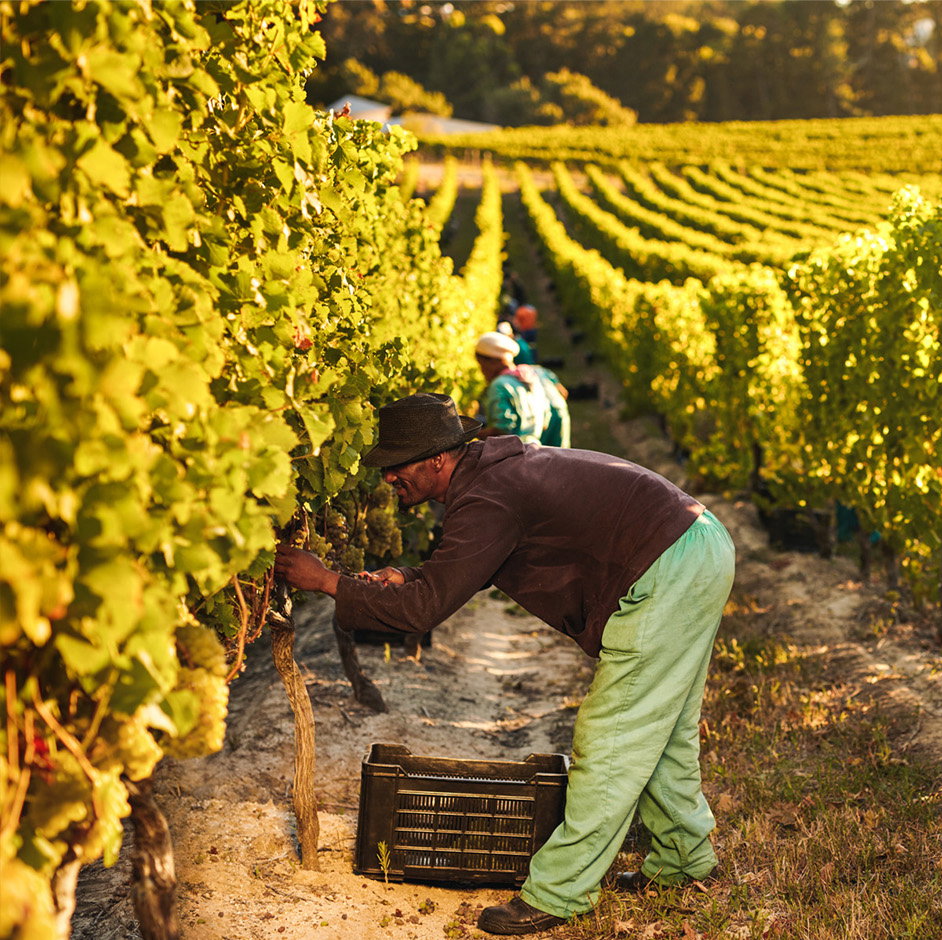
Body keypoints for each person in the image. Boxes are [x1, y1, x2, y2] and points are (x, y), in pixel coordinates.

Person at [274, 392, 734, 936]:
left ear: (436, 461)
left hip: (668, 565)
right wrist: (408, 576)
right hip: (693, 544)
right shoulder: (491, 477)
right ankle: (684, 859)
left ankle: (559, 894)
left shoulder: (488, 497)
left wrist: (326, 580)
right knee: (665, 728)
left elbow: (426, 610)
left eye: (396, 467)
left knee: (613, 736)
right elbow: (451, 574)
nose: (389, 479)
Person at [475, 331, 569, 448]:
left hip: (515, 453)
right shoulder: (527, 376)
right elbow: (546, 416)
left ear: (491, 362)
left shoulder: (499, 385)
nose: (482, 372)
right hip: (534, 447)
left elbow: (503, 428)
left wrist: (475, 435)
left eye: (481, 366)